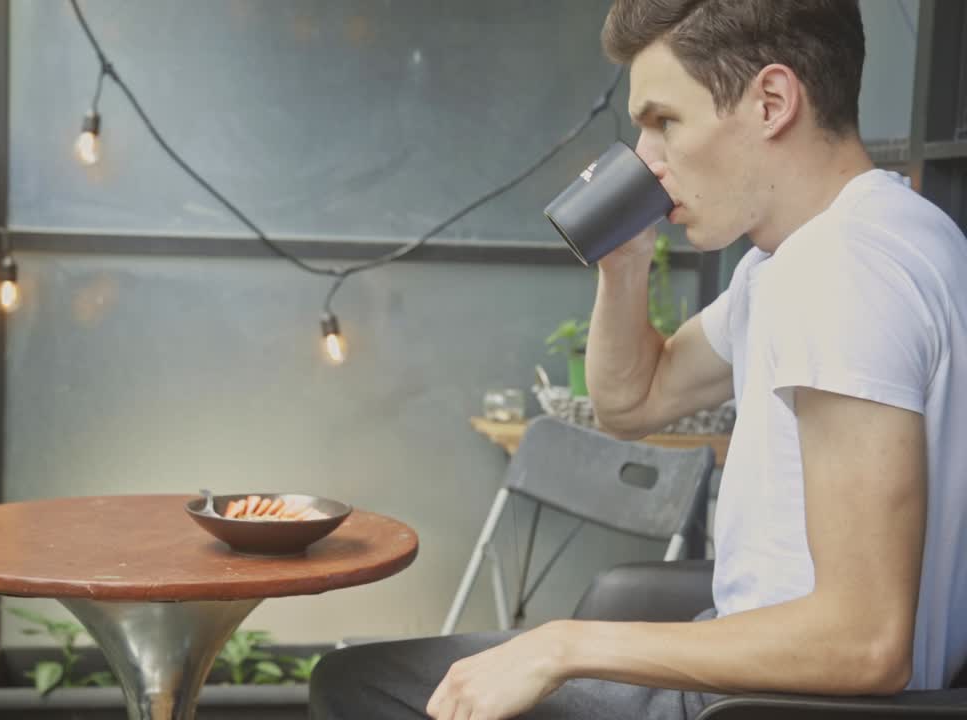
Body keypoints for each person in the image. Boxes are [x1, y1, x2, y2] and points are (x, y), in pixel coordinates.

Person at [309, 1, 967, 718]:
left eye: (664, 122)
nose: (646, 159)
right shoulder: (849, 245)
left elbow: (864, 640)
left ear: (772, 102)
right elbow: (635, 401)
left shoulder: (840, 274)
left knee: (359, 684)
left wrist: (562, 646)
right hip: (744, 673)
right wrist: (624, 264)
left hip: (762, 704)